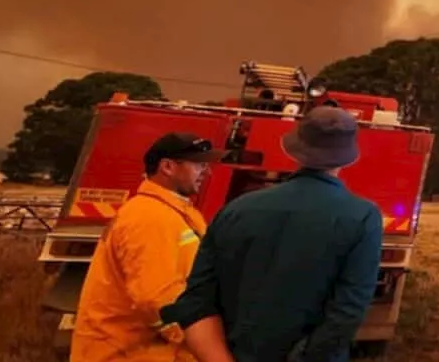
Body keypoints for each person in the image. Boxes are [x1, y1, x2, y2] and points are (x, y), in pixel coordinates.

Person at [160, 105, 384, 362]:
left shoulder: (236, 209)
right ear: (347, 157)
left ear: (294, 150)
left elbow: (197, 303)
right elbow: (346, 314)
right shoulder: (363, 217)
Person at [70, 132, 225, 362]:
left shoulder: (176, 211)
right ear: (168, 167)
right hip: (130, 353)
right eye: (198, 164)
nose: (206, 171)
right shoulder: (150, 218)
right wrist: (205, 342)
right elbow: (157, 299)